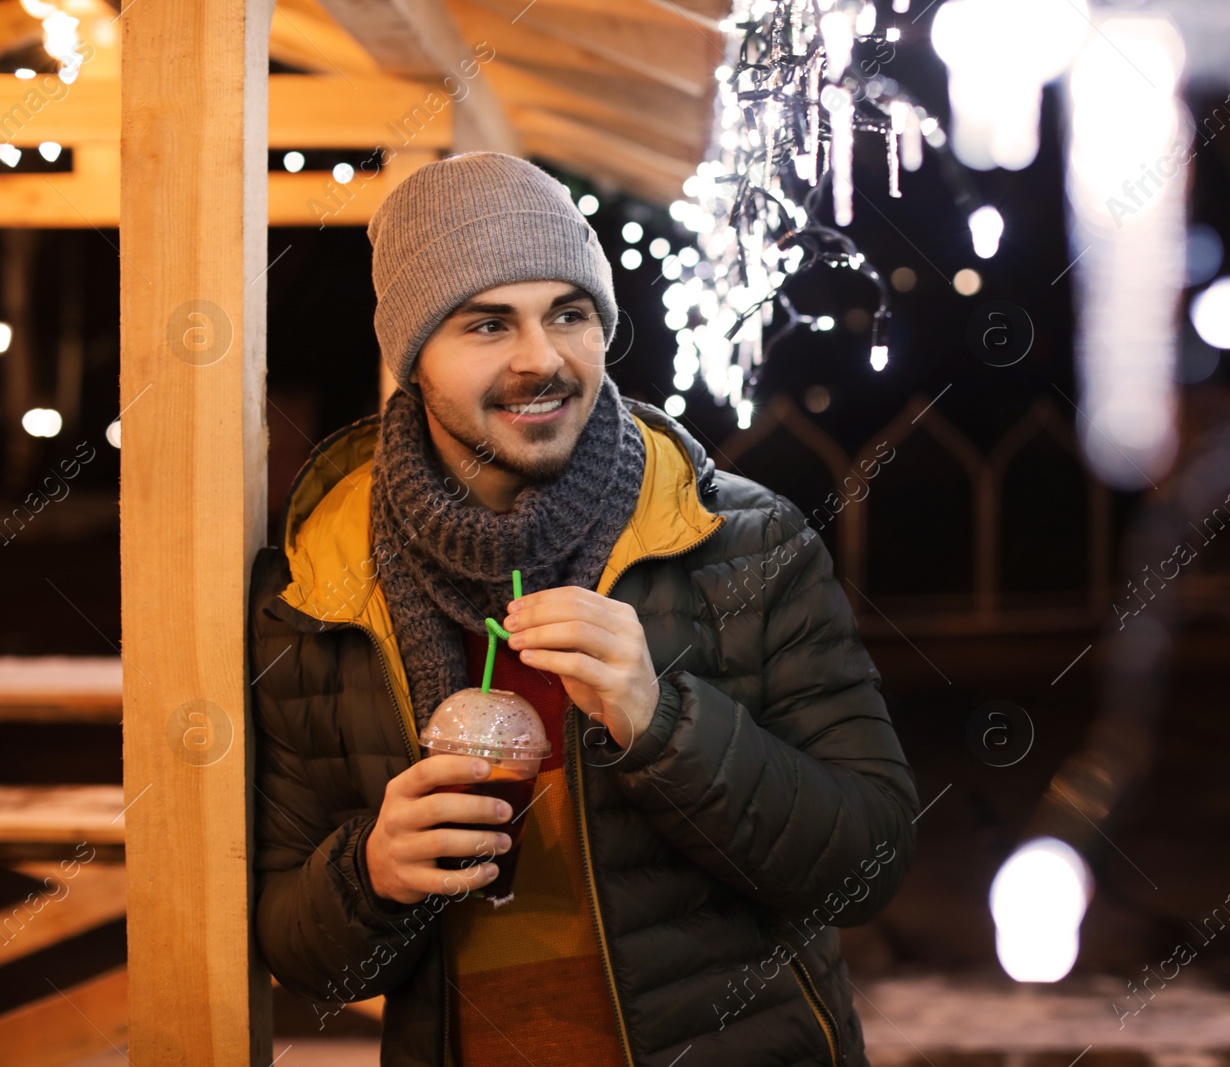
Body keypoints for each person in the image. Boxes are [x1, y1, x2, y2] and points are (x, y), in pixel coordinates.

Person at [247, 151, 919, 1067]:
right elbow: (304, 958)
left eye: (569, 313)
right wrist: (367, 875)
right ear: (411, 356)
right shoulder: (320, 588)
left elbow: (868, 860)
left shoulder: (743, 541)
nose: (542, 359)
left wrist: (664, 721)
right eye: (487, 324)